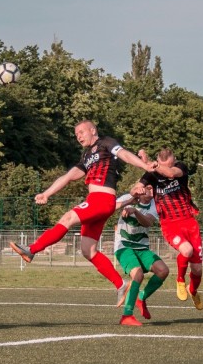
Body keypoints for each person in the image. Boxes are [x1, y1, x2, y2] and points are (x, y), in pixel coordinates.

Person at [9, 120, 157, 306]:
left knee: (68, 218)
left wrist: (144, 166)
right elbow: (68, 176)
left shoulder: (106, 143)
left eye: (81, 132)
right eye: (76, 134)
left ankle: (32, 249)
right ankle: (121, 285)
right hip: (97, 202)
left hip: (102, 200)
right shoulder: (87, 155)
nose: (78, 136)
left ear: (93, 130)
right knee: (88, 251)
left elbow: (125, 154)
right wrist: (47, 193)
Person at [136, 148, 203, 310]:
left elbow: (171, 173)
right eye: (162, 165)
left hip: (189, 222)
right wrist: (137, 189)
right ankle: (180, 280)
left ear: (174, 160)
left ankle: (193, 290)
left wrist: (152, 163)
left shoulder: (180, 167)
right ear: (158, 162)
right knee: (186, 250)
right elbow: (137, 186)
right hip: (170, 224)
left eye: (168, 165)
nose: (164, 169)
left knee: (197, 269)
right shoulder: (151, 175)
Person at [113, 185, 170, 326]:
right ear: (141, 188)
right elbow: (110, 207)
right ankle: (126, 315)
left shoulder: (155, 205)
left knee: (163, 271)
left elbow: (147, 222)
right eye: (149, 187)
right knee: (138, 275)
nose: (152, 191)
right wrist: (127, 202)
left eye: (154, 188)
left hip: (142, 248)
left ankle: (141, 297)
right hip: (124, 246)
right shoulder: (128, 198)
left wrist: (135, 211)